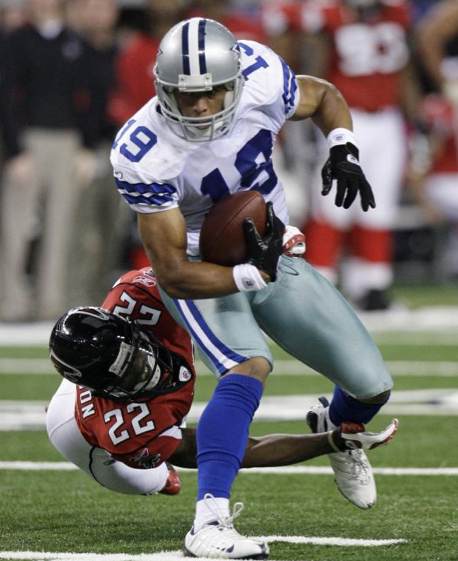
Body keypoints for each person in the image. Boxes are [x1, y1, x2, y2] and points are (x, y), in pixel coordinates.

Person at [110, 17, 393, 559]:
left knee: (370, 385)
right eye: (183, 94)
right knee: (247, 366)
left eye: (210, 91)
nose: (197, 106)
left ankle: (338, 429)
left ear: (236, 80)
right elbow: (170, 271)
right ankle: (209, 522)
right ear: (161, 88)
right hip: (199, 264)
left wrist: (343, 147)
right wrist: (248, 274)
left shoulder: (262, 76)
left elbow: (325, 95)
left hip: (272, 248)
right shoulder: (145, 149)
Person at [47, 266, 398, 501]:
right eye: (131, 373)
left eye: (138, 353)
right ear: (106, 386)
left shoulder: (139, 298)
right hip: (82, 435)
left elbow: (193, 265)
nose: (148, 368)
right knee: (158, 483)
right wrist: (329, 442)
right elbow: (237, 450)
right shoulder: (126, 430)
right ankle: (156, 469)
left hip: (100, 390)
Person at [279, 0, 419, 310]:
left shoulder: (395, 12)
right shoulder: (328, 14)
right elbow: (314, 73)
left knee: (377, 205)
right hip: (344, 117)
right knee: (332, 204)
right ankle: (319, 283)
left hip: (388, 118)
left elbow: (404, 70)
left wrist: (415, 119)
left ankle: (372, 285)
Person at [0, 0, 98, 321]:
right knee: (14, 227)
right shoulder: (15, 41)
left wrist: (85, 147)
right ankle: (10, 302)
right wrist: (15, 150)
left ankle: (51, 304)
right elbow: (6, 96)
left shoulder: (76, 43)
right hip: (29, 140)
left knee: (62, 226)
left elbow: (88, 98)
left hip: (67, 141)